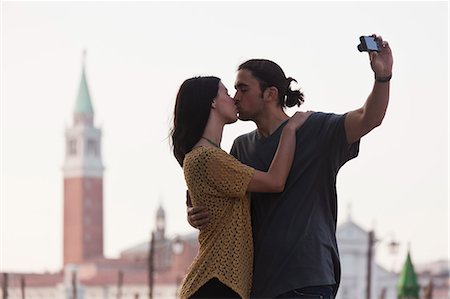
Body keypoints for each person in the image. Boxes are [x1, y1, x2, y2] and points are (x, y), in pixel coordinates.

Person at [187, 35, 393, 298]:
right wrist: (192, 209)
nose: (235, 97)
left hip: (307, 278)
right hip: (257, 283)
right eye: (233, 90)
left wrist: (383, 78)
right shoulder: (241, 147)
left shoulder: (315, 129)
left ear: (270, 94)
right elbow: (215, 185)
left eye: (243, 88)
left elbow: (369, 118)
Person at [171, 76, 312, 299]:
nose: (234, 99)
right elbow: (275, 181)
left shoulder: (211, 156)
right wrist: (290, 129)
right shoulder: (207, 157)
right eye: (226, 93)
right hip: (216, 283)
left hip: (221, 284)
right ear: (213, 102)